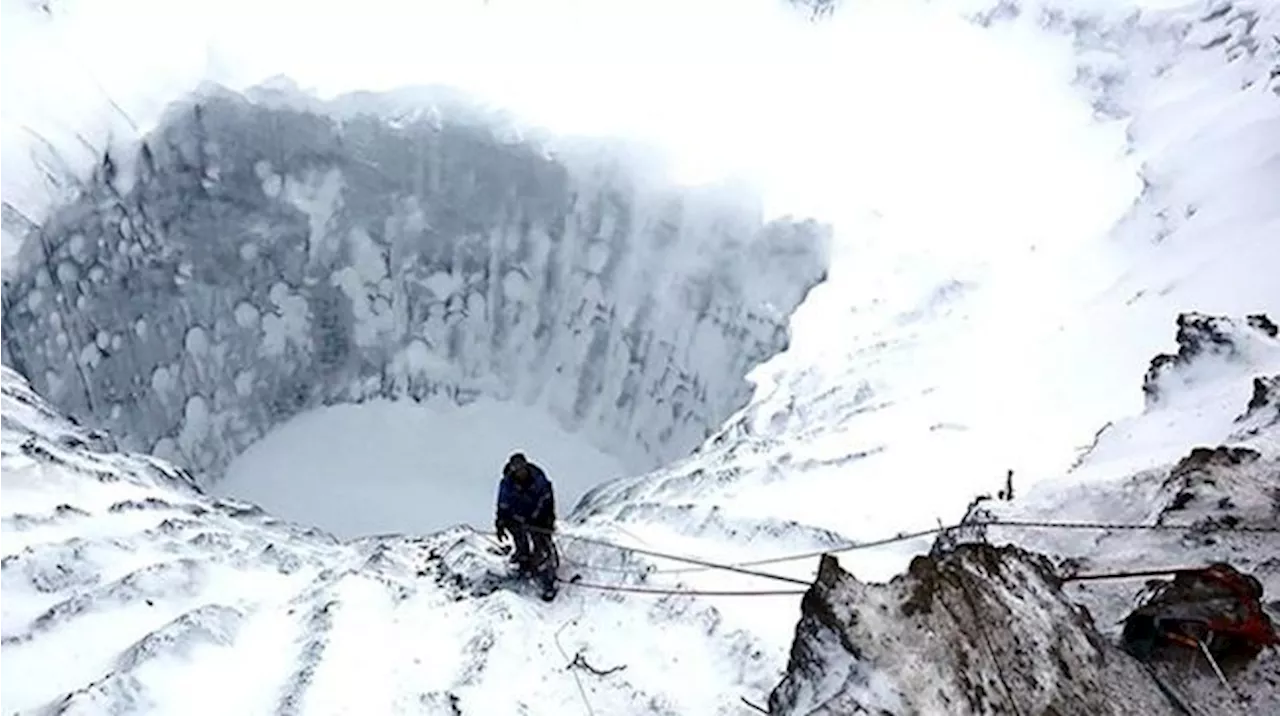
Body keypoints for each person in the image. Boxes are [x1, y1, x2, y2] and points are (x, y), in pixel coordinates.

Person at [495, 452, 558, 600]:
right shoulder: (507, 484)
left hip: (540, 517)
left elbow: (548, 499)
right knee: (520, 540)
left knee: (541, 544)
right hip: (518, 518)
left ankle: (548, 578)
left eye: (522, 468)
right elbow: (503, 505)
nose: (520, 472)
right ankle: (524, 563)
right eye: (516, 469)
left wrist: (549, 518)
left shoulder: (539, 479)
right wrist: (500, 523)